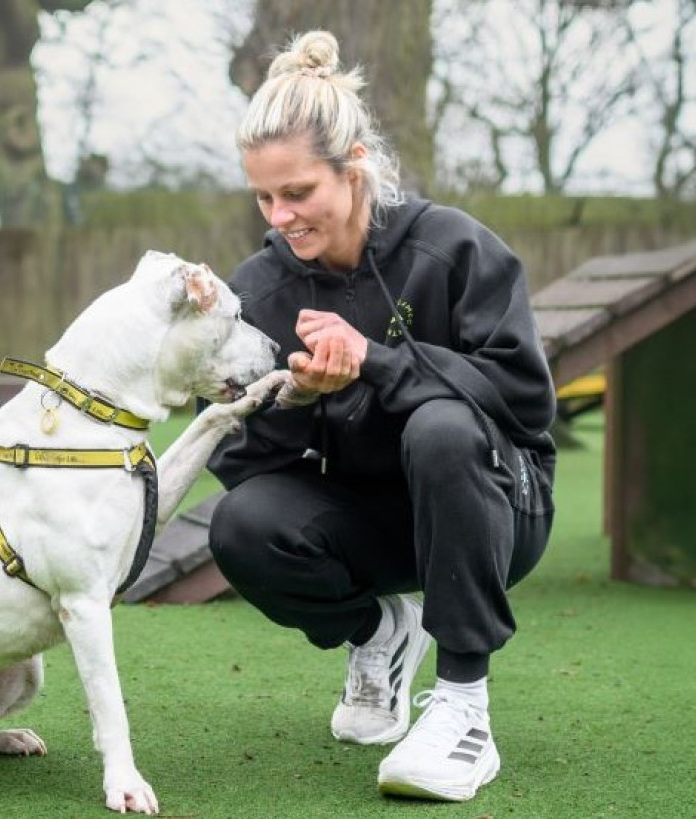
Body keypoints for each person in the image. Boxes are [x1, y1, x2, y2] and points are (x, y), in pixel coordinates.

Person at [205, 30, 556, 803]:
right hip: (372, 521)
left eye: (299, 192)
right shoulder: (260, 292)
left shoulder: (455, 248)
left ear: (354, 162)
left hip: (500, 506)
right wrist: (300, 400)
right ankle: (378, 632)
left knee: (441, 427)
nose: (281, 215)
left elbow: (527, 401)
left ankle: (463, 706)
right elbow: (238, 459)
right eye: (265, 196)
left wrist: (377, 361)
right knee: (238, 522)